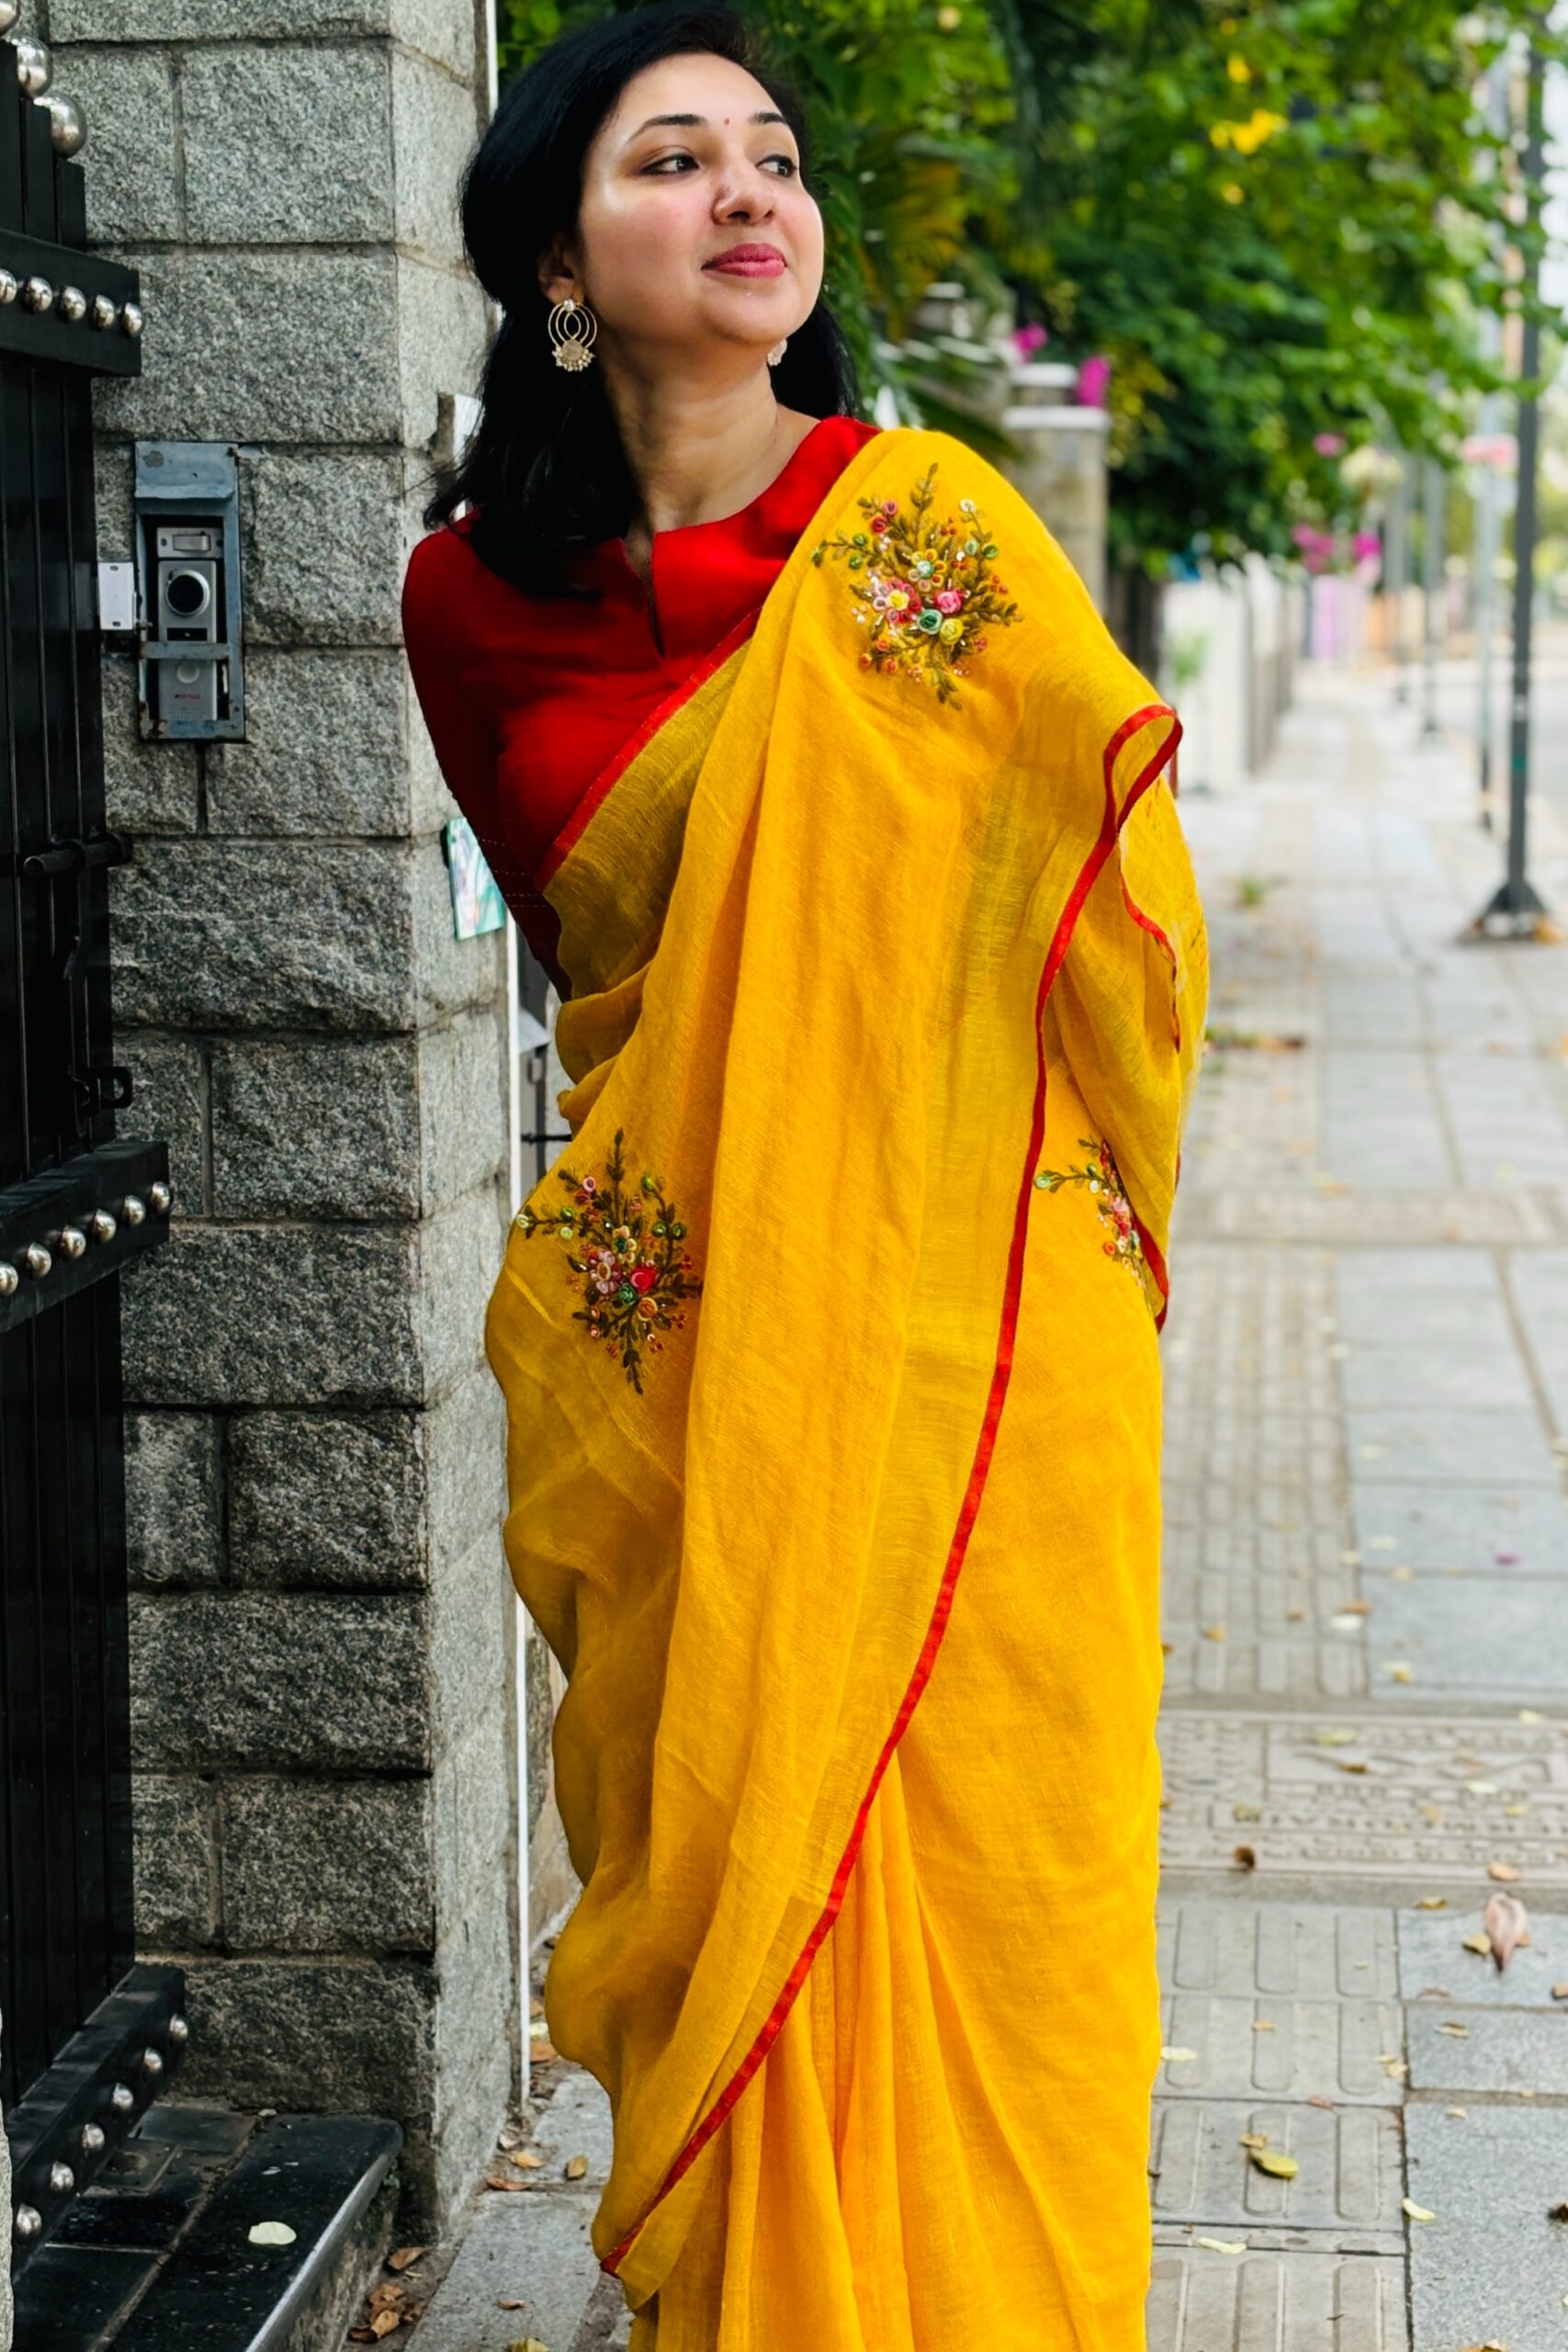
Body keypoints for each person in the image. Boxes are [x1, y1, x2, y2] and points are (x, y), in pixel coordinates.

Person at [400, 9, 1207, 2346]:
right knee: (726, 1841)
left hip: (976, 1344)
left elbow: (1122, 909)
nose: (747, 192)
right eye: (672, 159)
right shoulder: (468, 600)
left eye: (769, 154)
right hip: (687, 1351)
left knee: (992, 1902)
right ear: (556, 260)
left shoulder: (929, 533)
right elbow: (605, 969)